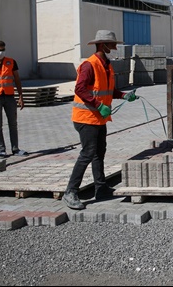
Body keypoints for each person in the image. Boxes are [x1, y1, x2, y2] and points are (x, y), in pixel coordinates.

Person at [62, 30, 137, 210]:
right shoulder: (90, 65)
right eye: (112, 44)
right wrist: (98, 104)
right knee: (88, 153)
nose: (115, 47)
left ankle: (101, 188)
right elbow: (80, 89)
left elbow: (108, 90)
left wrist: (124, 95)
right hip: (86, 117)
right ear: (103, 45)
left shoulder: (106, 65)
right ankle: (70, 191)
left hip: (98, 117)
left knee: (99, 153)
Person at [0, 40, 29, 158]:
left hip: (9, 96)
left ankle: (15, 149)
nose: (0, 52)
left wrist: (21, 96)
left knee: (13, 124)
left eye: (2, 50)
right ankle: (2, 150)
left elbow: (17, 79)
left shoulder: (11, 62)